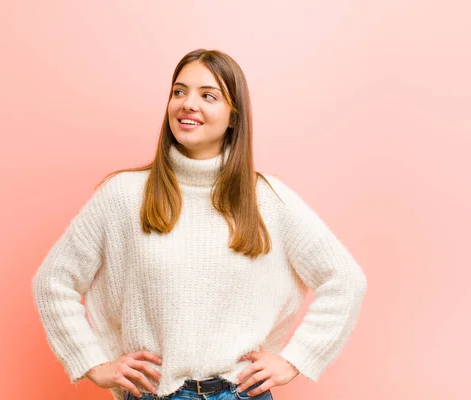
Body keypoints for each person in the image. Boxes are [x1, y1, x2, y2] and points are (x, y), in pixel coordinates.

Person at [32, 48, 368, 400]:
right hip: (154, 393)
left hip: (240, 393)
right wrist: (92, 362)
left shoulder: (268, 199)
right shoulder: (123, 196)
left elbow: (345, 279)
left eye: (208, 95)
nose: (188, 104)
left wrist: (296, 359)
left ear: (233, 117)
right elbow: (52, 281)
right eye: (179, 91)